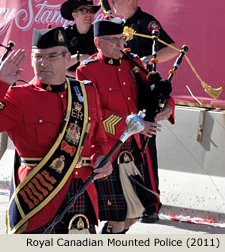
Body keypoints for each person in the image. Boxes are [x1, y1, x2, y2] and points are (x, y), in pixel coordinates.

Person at [0, 27, 112, 234]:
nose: (44, 63)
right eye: (38, 57)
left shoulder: (85, 92)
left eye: (52, 56)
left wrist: (103, 156)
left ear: (68, 58)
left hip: (81, 192)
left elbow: (99, 138)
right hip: (39, 197)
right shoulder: (18, 97)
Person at [76, 18, 175, 233]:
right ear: (98, 42)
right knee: (118, 218)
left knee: (135, 213)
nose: (121, 45)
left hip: (132, 150)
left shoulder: (133, 63)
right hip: (107, 148)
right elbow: (96, 113)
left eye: (122, 39)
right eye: (114, 41)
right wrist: (134, 125)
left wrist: (168, 106)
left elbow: (155, 88)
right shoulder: (87, 70)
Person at [111, 0, 178, 223]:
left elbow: (171, 48)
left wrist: (148, 60)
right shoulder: (113, 23)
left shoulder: (146, 22)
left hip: (142, 94)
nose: (110, 3)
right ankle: (122, 201)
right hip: (118, 96)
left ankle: (151, 205)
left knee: (145, 152)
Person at [60, 0, 100, 77]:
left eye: (91, 11)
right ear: (74, 15)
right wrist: (79, 57)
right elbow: (57, 65)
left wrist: (69, 73)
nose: (88, 14)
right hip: (67, 84)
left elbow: (100, 67)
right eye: (84, 10)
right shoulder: (65, 34)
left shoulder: (99, 35)